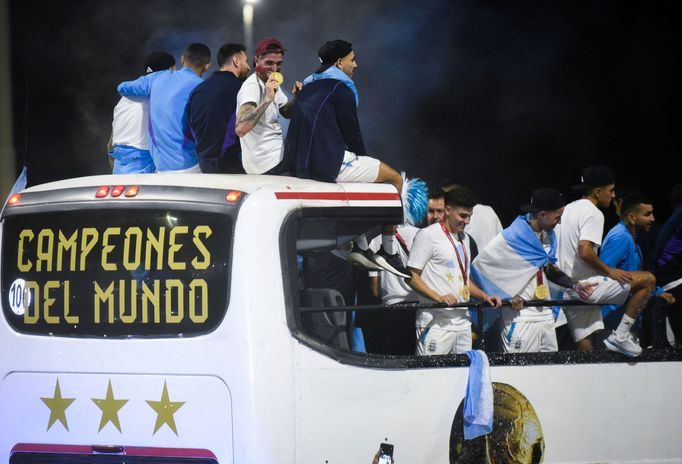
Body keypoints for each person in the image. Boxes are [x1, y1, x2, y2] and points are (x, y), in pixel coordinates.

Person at [282, 39, 426, 278]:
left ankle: (359, 246)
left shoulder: (307, 85)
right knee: (393, 178)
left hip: (300, 166)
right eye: (352, 59)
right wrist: (364, 159)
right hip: (327, 165)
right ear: (339, 63)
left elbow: (289, 114)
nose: (356, 65)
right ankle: (389, 251)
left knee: (360, 178)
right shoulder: (342, 88)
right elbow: (353, 134)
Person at [471, 188, 596, 353]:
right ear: (543, 215)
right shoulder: (512, 237)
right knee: (518, 375)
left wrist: (574, 285)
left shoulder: (549, 236)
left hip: (544, 314)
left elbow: (546, 267)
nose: (558, 222)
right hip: (520, 317)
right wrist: (506, 297)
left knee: (548, 373)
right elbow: (481, 268)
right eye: (557, 217)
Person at [557, 166, 655, 356]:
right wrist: (610, 271)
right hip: (587, 286)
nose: (613, 195)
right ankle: (621, 335)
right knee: (648, 280)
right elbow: (585, 251)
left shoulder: (568, 209)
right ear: (597, 191)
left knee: (586, 343)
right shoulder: (594, 213)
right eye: (610, 190)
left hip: (568, 287)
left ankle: (587, 377)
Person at [406, 185, 502, 355]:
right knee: (431, 378)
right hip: (436, 323)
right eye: (463, 216)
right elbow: (411, 276)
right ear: (448, 210)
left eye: (469, 216)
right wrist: (439, 297)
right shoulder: (428, 235)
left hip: (463, 323)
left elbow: (463, 280)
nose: (467, 221)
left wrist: (484, 295)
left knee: (461, 377)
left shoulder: (465, 239)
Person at [117, 43, 211, 172]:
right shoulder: (204, 88)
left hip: (161, 168)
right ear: (207, 67)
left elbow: (122, 87)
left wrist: (153, 90)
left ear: (183, 59)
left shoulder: (157, 79)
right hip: (191, 166)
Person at [600, 192, 676, 347]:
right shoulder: (620, 237)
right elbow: (603, 275)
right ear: (632, 217)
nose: (653, 219)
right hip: (614, 319)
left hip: (624, 317)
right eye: (647, 214)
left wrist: (658, 292)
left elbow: (633, 277)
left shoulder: (630, 236)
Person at [235, 37, 302, 174]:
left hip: (276, 158)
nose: (275, 69)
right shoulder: (252, 87)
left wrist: (297, 97)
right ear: (257, 60)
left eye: (279, 64)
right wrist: (267, 99)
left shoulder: (270, 81)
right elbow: (241, 129)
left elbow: (286, 112)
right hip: (268, 165)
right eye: (269, 63)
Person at [185, 43, 249, 173]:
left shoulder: (198, 90)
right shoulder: (242, 89)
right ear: (236, 61)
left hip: (203, 166)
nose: (248, 67)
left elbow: (189, 127)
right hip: (232, 166)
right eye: (246, 61)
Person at [108, 52, 176, 174]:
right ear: (170, 69)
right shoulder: (159, 95)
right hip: (143, 160)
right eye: (174, 69)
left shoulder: (124, 98)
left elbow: (110, 142)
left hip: (119, 162)